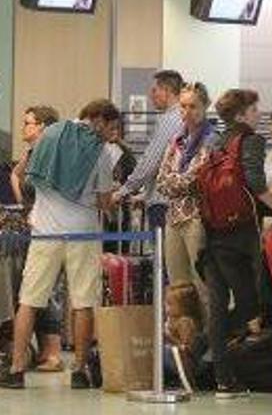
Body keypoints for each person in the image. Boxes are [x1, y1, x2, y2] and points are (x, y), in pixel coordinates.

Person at [0, 99, 123, 389]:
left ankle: (16, 368)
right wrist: (113, 198)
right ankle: (79, 370)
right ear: (99, 120)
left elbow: (28, 179)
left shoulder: (50, 134)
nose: (112, 133)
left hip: (45, 231)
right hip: (82, 233)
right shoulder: (101, 152)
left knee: (29, 300)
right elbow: (104, 201)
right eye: (111, 126)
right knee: (82, 302)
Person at [196, 89, 272, 399]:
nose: (257, 114)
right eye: (253, 109)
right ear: (240, 115)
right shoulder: (250, 140)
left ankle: (222, 377)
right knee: (251, 304)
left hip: (212, 231)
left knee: (218, 304)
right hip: (239, 232)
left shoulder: (215, 141)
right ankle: (198, 349)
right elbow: (254, 180)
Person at [8, 106, 65, 373]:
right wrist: (25, 206)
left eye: (28, 122)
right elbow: (15, 175)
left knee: (50, 290)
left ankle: (53, 352)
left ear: (42, 126)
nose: (24, 127)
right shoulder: (30, 153)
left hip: (53, 228)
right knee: (33, 288)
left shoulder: (55, 153)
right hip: (34, 226)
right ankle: (36, 351)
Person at [156, 83, 217, 320]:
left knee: (201, 283)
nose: (187, 112)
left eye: (193, 106)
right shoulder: (176, 140)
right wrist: (178, 181)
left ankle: (208, 333)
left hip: (197, 218)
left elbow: (196, 178)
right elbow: (161, 181)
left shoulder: (211, 139)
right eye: (183, 106)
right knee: (177, 288)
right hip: (173, 218)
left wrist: (175, 180)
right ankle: (183, 335)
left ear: (205, 107)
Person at [112, 70, 186, 230]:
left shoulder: (169, 120)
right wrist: (144, 195)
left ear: (166, 91)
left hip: (163, 204)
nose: (151, 95)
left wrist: (123, 190)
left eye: (154, 90)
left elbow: (151, 161)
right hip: (173, 202)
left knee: (161, 246)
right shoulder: (181, 119)